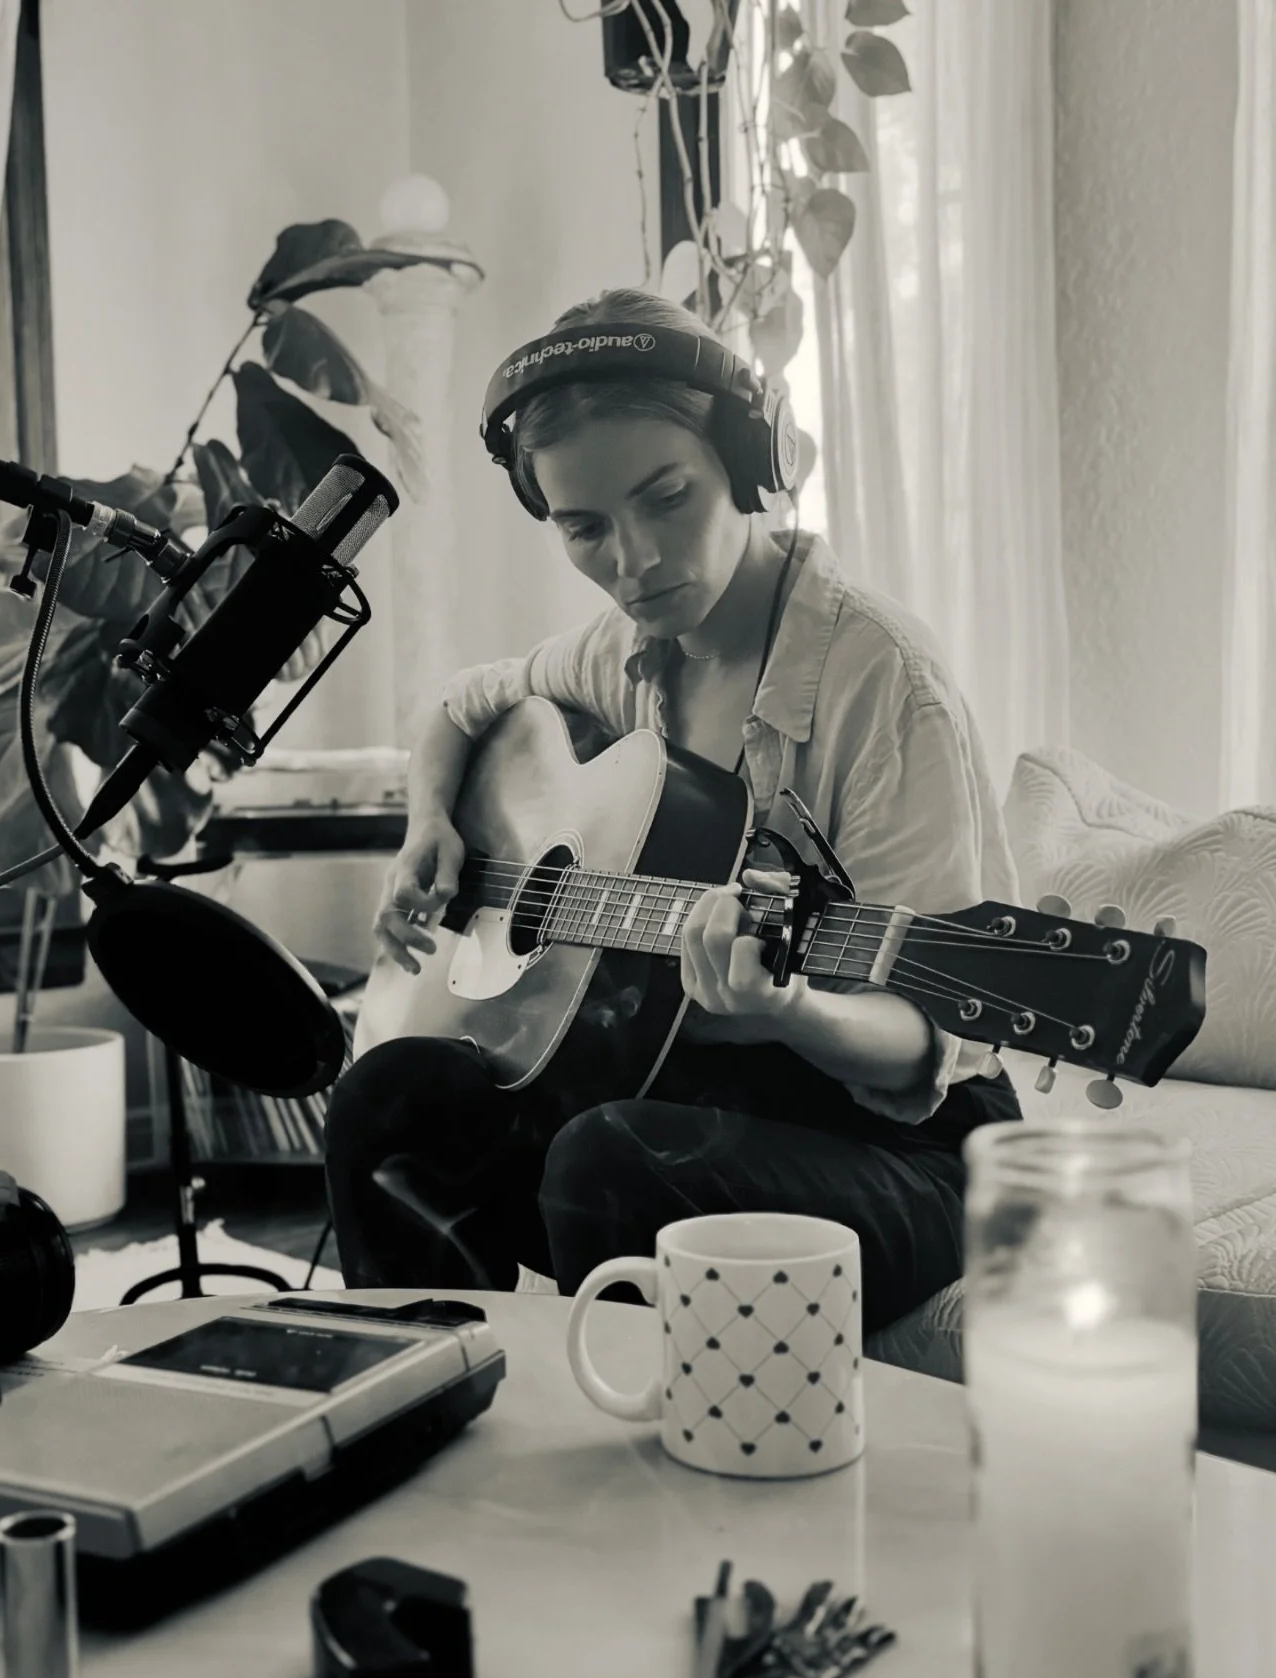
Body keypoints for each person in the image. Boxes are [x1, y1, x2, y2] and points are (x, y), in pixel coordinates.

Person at [321, 288, 1021, 1337]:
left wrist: (788, 1009)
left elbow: (934, 1035)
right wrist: (430, 826)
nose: (633, 562)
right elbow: (464, 706)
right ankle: (418, 1402)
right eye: (584, 528)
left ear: (745, 465)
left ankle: (638, 1470)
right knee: (386, 1099)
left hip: (911, 1150)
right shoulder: (620, 652)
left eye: (668, 498)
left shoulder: (884, 682)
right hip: (706, 1093)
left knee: (604, 1156)